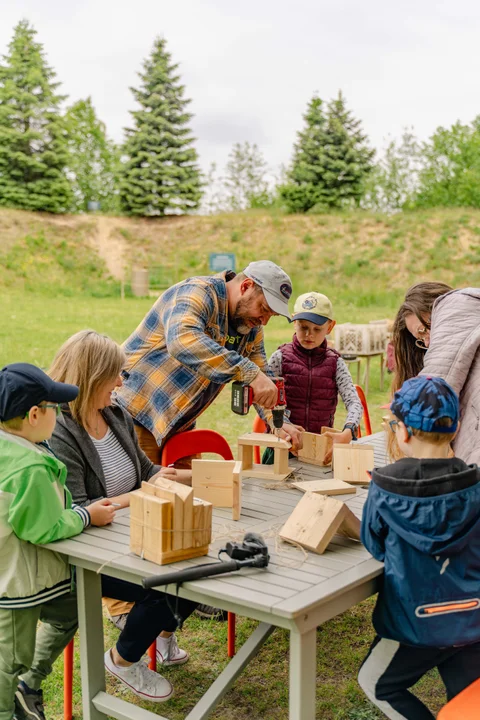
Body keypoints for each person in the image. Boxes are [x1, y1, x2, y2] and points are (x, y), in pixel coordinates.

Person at [48, 330, 196, 667]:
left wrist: (166, 476)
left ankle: (159, 638)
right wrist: (146, 492)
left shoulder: (115, 414)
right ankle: (122, 661)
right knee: (165, 587)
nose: (120, 382)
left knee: (197, 566)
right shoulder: (59, 429)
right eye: (115, 375)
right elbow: (82, 509)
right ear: (91, 377)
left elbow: (145, 469)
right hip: (88, 555)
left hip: (133, 535)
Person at [358, 376, 480, 720]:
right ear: (454, 430)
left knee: (376, 683)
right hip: (472, 620)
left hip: (414, 623)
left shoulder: (383, 485)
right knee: (467, 702)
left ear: (403, 432)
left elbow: (375, 547)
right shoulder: (477, 484)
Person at [0, 363, 115, 720]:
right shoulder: (30, 467)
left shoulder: (13, 446)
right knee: (10, 657)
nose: (60, 414)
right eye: (54, 407)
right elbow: (44, 528)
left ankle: (26, 687)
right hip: (19, 583)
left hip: (23, 573)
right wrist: (86, 515)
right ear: (35, 414)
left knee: (73, 607)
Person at [114, 260, 303, 464]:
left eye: (271, 316)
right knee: (143, 493)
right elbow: (182, 340)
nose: (264, 321)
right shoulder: (196, 292)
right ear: (246, 286)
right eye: (263, 309)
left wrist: (280, 423)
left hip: (179, 423)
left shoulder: (251, 328)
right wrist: (248, 372)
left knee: (195, 491)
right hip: (136, 415)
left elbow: (263, 380)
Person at [265, 292, 362, 463]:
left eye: (317, 329)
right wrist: (284, 424)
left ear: (330, 327)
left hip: (319, 450)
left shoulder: (336, 363)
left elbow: (354, 401)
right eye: (303, 327)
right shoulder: (279, 358)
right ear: (294, 321)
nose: (309, 335)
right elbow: (265, 401)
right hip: (282, 447)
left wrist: (349, 430)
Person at [392, 283, 480, 465]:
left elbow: (427, 400)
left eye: (424, 330)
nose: (428, 342)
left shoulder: (458, 308)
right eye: (421, 340)